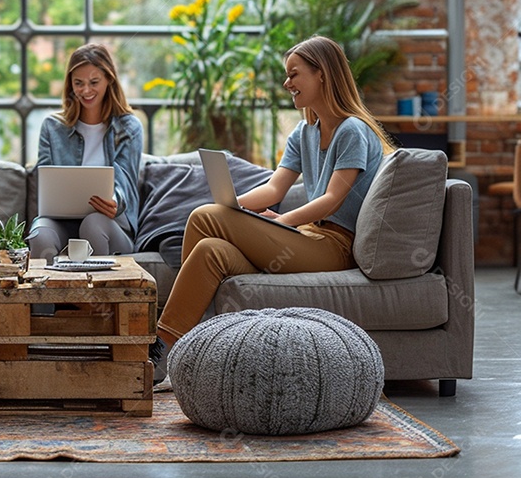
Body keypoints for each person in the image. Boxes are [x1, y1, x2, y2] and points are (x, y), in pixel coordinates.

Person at [150, 35, 395, 381]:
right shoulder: (303, 132)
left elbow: (332, 199)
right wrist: (233, 206)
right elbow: (274, 187)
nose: (287, 83)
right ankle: (169, 353)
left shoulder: (352, 130)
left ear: (321, 74)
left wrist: (284, 223)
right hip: (306, 238)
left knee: (204, 216)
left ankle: (195, 343)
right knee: (209, 249)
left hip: (334, 246)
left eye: (294, 74)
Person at [28, 43, 143, 262]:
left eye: (94, 82)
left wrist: (114, 202)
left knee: (93, 224)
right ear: (70, 84)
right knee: (40, 233)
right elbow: (43, 181)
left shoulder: (129, 128)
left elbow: (126, 181)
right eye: (78, 83)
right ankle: (47, 297)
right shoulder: (52, 127)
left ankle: (90, 297)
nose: (86, 90)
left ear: (109, 79)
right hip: (61, 222)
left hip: (110, 224)